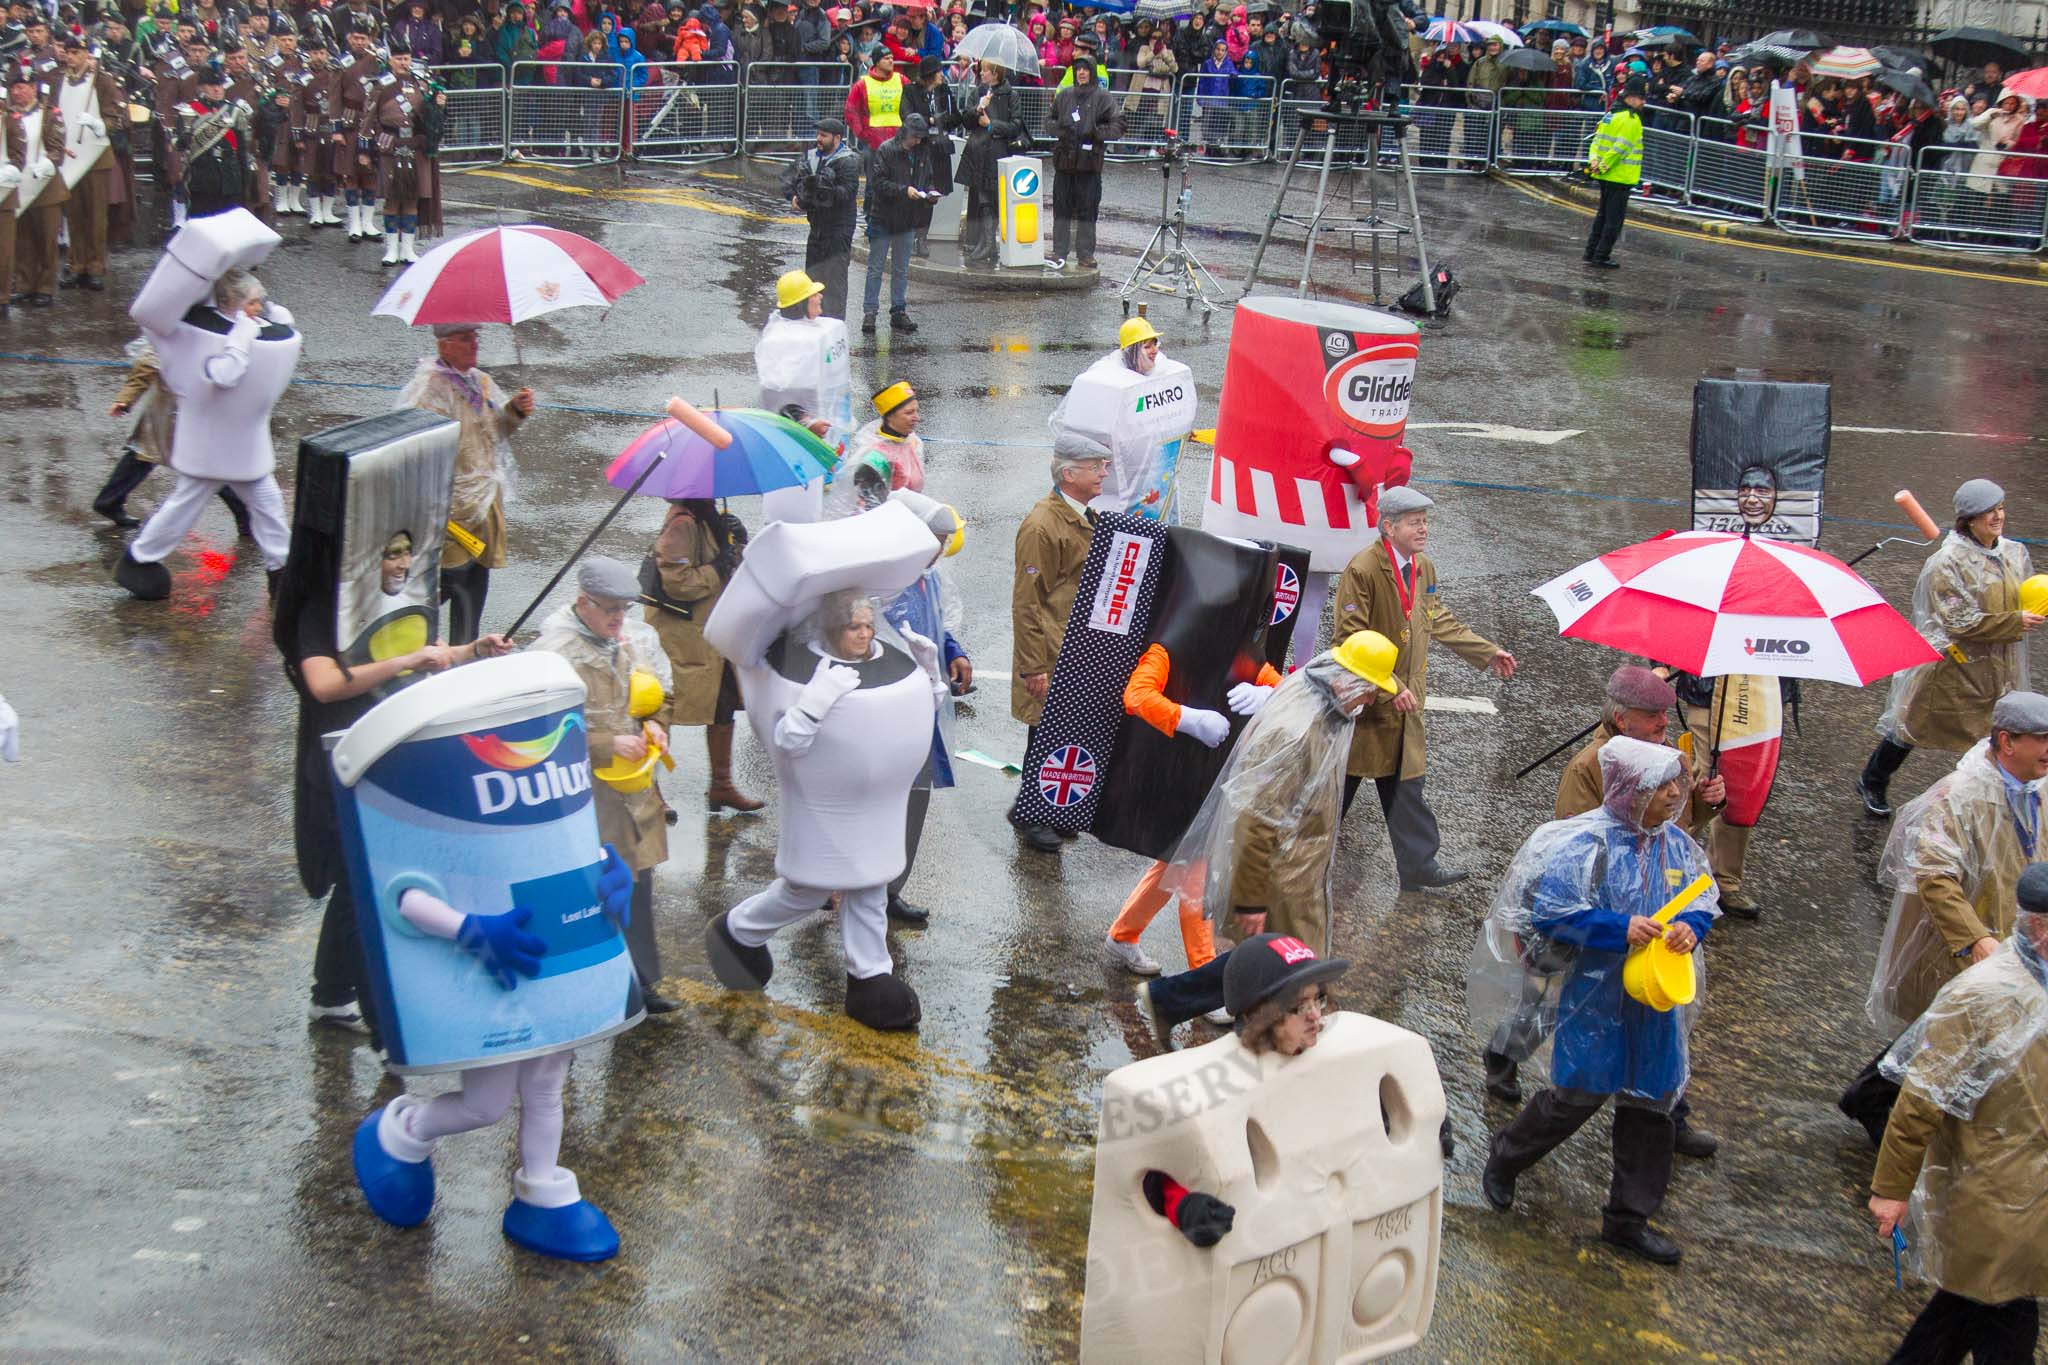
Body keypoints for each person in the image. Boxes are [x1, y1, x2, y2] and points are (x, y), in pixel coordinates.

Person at [1476, 737, 1720, 1266]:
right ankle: (1507, 1156)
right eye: (1664, 785)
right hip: (1597, 994)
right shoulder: (1585, 845)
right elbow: (1551, 913)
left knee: (1651, 1106)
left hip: (1655, 999)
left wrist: (1689, 929)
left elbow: (1702, 897)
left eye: (1677, 783)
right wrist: (1618, 927)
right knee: (1575, 1096)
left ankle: (1628, 1218)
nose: (1676, 793)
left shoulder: (1674, 844)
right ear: (1632, 790)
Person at [704, 581, 945, 1032]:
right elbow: (788, 740)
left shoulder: (885, 666)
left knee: (870, 887)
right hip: (824, 811)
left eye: (869, 626)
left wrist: (929, 674)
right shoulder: (813, 675)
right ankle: (737, 932)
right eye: (853, 626)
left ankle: (870, 974)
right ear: (833, 630)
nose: (864, 634)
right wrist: (819, 696)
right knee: (810, 890)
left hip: (877, 808)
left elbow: (916, 719)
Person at [1130, 636, 1391, 1045]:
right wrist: (1251, 900)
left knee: (1274, 964)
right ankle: (1255, 1054)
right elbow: (1256, 819)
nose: (1372, 700)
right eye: (1370, 688)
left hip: (1296, 879)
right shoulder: (1299, 732)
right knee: (1285, 976)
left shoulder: (1325, 714)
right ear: (1347, 681)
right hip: (1279, 884)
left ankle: (1168, 1001)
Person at [1841, 692, 2048, 1147]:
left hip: (2016, 935)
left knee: (1955, 1030)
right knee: (1950, 1030)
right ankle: (1883, 1104)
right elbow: (1935, 877)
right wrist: (1974, 940)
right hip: (1957, 944)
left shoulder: (2038, 788)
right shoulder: (1958, 796)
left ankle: (1878, 1097)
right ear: (2007, 741)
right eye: (2042, 739)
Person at [1869, 861, 2048, 1365]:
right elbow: (1921, 1098)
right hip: (1993, 1187)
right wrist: (1891, 1188)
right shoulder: (1981, 995)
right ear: (2039, 926)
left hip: (2029, 1192)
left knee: (1967, 1309)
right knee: (2004, 1314)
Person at [1332, 485, 1515, 891]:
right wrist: (1390, 685)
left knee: (1406, 786)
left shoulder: (1422, 567)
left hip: (1405, 705)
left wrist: (1487, 652)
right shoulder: (1363, 569)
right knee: (1339, 790)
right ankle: (1300, 860)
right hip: (1370, 702)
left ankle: (1417, 866)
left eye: (1425, 521)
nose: (1424, 529)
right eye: (1415, 522)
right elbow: (1349, 638)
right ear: (1388, 526)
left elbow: (1436, 618)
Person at [532, 557, 679, 1013]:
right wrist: (606, 743)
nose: (619, 619)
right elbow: (539, 733)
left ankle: (641, 982)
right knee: (585, 887)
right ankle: (574, 983)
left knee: (638, 882)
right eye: (610, 609)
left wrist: (656, 724)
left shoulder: (636, 640)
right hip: (584, 795)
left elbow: (661, 695)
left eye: (625, 609)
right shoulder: (554, 654)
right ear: (583, 603)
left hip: (635, 789)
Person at [118, 238, 300, 601]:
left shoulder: (234, 327)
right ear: (230, 305)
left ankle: (281, 571)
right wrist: (243, 336)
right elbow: (223, 375)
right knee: (187, 505)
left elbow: (281, 330)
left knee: (265, 504)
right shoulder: (203, 337)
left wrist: (261, 318)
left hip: (241, 443)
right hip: (212, 444)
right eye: (251, 303)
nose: (258, 309)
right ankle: (139, 559)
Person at [1860, 479, 2039, 817]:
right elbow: (1958, 620)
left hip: (1999, 663)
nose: (1998, 516)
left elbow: (2024, 593)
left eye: (2000, 508)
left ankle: (1997, 794)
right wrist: (2015, 621)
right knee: (1912, 725)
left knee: (1997, 728)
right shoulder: (1948, 561)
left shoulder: (2014, 552)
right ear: (1969, 519)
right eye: (1989, 511)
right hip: (1952, 663)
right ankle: (1873, 779)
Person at [393, 323, 534, 643]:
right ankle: (410, 650)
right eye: (466, 339)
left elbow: (493, 433)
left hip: (483, 510)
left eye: (476, 337)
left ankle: (463, 657)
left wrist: (514, 411)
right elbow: (415, 449)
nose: (474, 345)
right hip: (448, 512)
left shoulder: (480, 382)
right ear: (445, 345)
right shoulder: (428, 390)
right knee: (441, 585)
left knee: (473, 589)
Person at [1009, 434, 1107, 853]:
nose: (1104, 473)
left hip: (1071, 647)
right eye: (1095, 466)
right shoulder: (1042, 526)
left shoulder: (1082, 515)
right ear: (1070, 474)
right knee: (1044, 733)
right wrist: (1033, 667)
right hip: (1049, 651)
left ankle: (1042, 806)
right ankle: (1032, 816)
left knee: (1062, 730)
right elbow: (1027, 603)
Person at [641, 499, 764, 815]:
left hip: (710, 634)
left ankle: (721, 785)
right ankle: (648, 791)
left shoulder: (708, 517)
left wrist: (737, 541)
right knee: (661, 710)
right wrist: (716, 567)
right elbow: (676, 581)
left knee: (724, 704)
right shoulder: (683, 522)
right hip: (682, 639)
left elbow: (730, 569)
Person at [92, 335, 253, 535]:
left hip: (191, 411)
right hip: (172, 413)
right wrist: (125, 400)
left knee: (144, 457)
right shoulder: (177, 330)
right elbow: (147, 364)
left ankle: (109, 500)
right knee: (206, 465)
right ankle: (246, 517)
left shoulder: (216, 326)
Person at [358, 46, 442, 266]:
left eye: (406, 59)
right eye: (399, 59)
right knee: (392, 199)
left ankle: (408, 249)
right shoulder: (379, 86)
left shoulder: (422, 85)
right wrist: (363, 149)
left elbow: (431, 119)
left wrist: (439, 106)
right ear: (390, 61)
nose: (403, 63)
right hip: (390, 146)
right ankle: (391, 249)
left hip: (416, 145)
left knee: (413, 198)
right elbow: (368, 119)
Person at [1044, 34, 1121, 271]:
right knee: (1062, 209)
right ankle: (1059, 251)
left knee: (1088, 210)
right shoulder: (1065, 95)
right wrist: (1061, 131)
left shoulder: (1103, 97)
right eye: (1078, 70)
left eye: (1085, 70)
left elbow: (1118, 126)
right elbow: (1049, 120)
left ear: (1092, 72)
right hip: (1065, 162)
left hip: (1089, 164)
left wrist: (1097, 133)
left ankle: (1086, 253)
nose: (1081, 73)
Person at [54, 36, 120, 293]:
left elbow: (114, 117)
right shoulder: (60, 80)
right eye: (67, 52)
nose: (70, 57)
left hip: (95, 156)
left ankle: (95, 266)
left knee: (96, 216)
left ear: (86, 54)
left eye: (75, 52)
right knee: (75, 215)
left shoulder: (102, 80)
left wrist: (98, 124)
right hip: (71, 155)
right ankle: (76, 263)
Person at [859, 110, 934, 337]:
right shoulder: (886, 150)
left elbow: (927, 180)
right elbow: (879, 183)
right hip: (883, 217)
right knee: (876, 268)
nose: (917, 141)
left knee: (901, 269)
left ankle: (898, 310)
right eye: (915, 137)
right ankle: (870, 312)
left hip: (907, 219)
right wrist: (905, 191)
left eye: (920, 137)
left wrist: (929, 193)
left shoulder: (921, 153)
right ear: (905, 133)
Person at [782, 115, 861, 319]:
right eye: (818, 134)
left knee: (834, 279)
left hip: (838, 227)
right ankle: (813, 321)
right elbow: (788, 179)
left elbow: (847, 193)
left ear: (837, 138)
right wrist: (794, 197)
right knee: (814, 276)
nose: (819, 138)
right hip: (817, 227)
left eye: (823, 135)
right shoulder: (811, 156)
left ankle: (834, 324)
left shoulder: (848, 161)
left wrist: (824, 189)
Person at [950, 59, 1022, 269]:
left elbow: (1016, 126)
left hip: (997, 152)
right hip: (977, 151)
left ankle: (988, 242)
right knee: (977, 197)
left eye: (985, 71)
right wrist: (978, 110)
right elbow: (966, 120)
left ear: (996, 73)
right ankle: (976, 241)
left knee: (989, 198)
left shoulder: (1011, 96)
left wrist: (991, 125)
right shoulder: (979, 92)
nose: (981, 74)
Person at [8, 63, 65, 308]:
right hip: (18, 185)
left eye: (22, 88)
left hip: (45, 187)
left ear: (33, 88)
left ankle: (45, 286)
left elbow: (57, 147)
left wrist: (48, 162)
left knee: (46, 238)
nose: (17, 93)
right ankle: (24, 284)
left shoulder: (50, 113)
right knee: (23, 239)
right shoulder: (9, 116)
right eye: (14, 88)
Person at [1582, 75, 1644, 269]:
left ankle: (1591, 251)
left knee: (1602, 216)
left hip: (1604, 174)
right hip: (1620, 175)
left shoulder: (1610, 114)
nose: (1643, 102)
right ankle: (1601, 256)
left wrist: (1595, 163)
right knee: (1613, 221)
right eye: (1641, 98)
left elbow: (1597, 141)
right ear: (1631, 97)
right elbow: (1620, 148)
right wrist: (1604, 165)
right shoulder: (1631, 119)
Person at [846, 379, 927, 495]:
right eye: (909, 413)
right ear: (889, 416)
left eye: (916, 411)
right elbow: (871, 505)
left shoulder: (913, 442)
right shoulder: (875, 456)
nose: (917, 418)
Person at [843, 44, 903, 151]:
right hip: (872, 144)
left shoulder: (901, 80)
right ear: (877, 62)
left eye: (892, 58)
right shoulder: (862, 84)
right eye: (886, 58)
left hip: (899, 141)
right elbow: (851, 111)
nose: (891, 61)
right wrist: (862, 134)